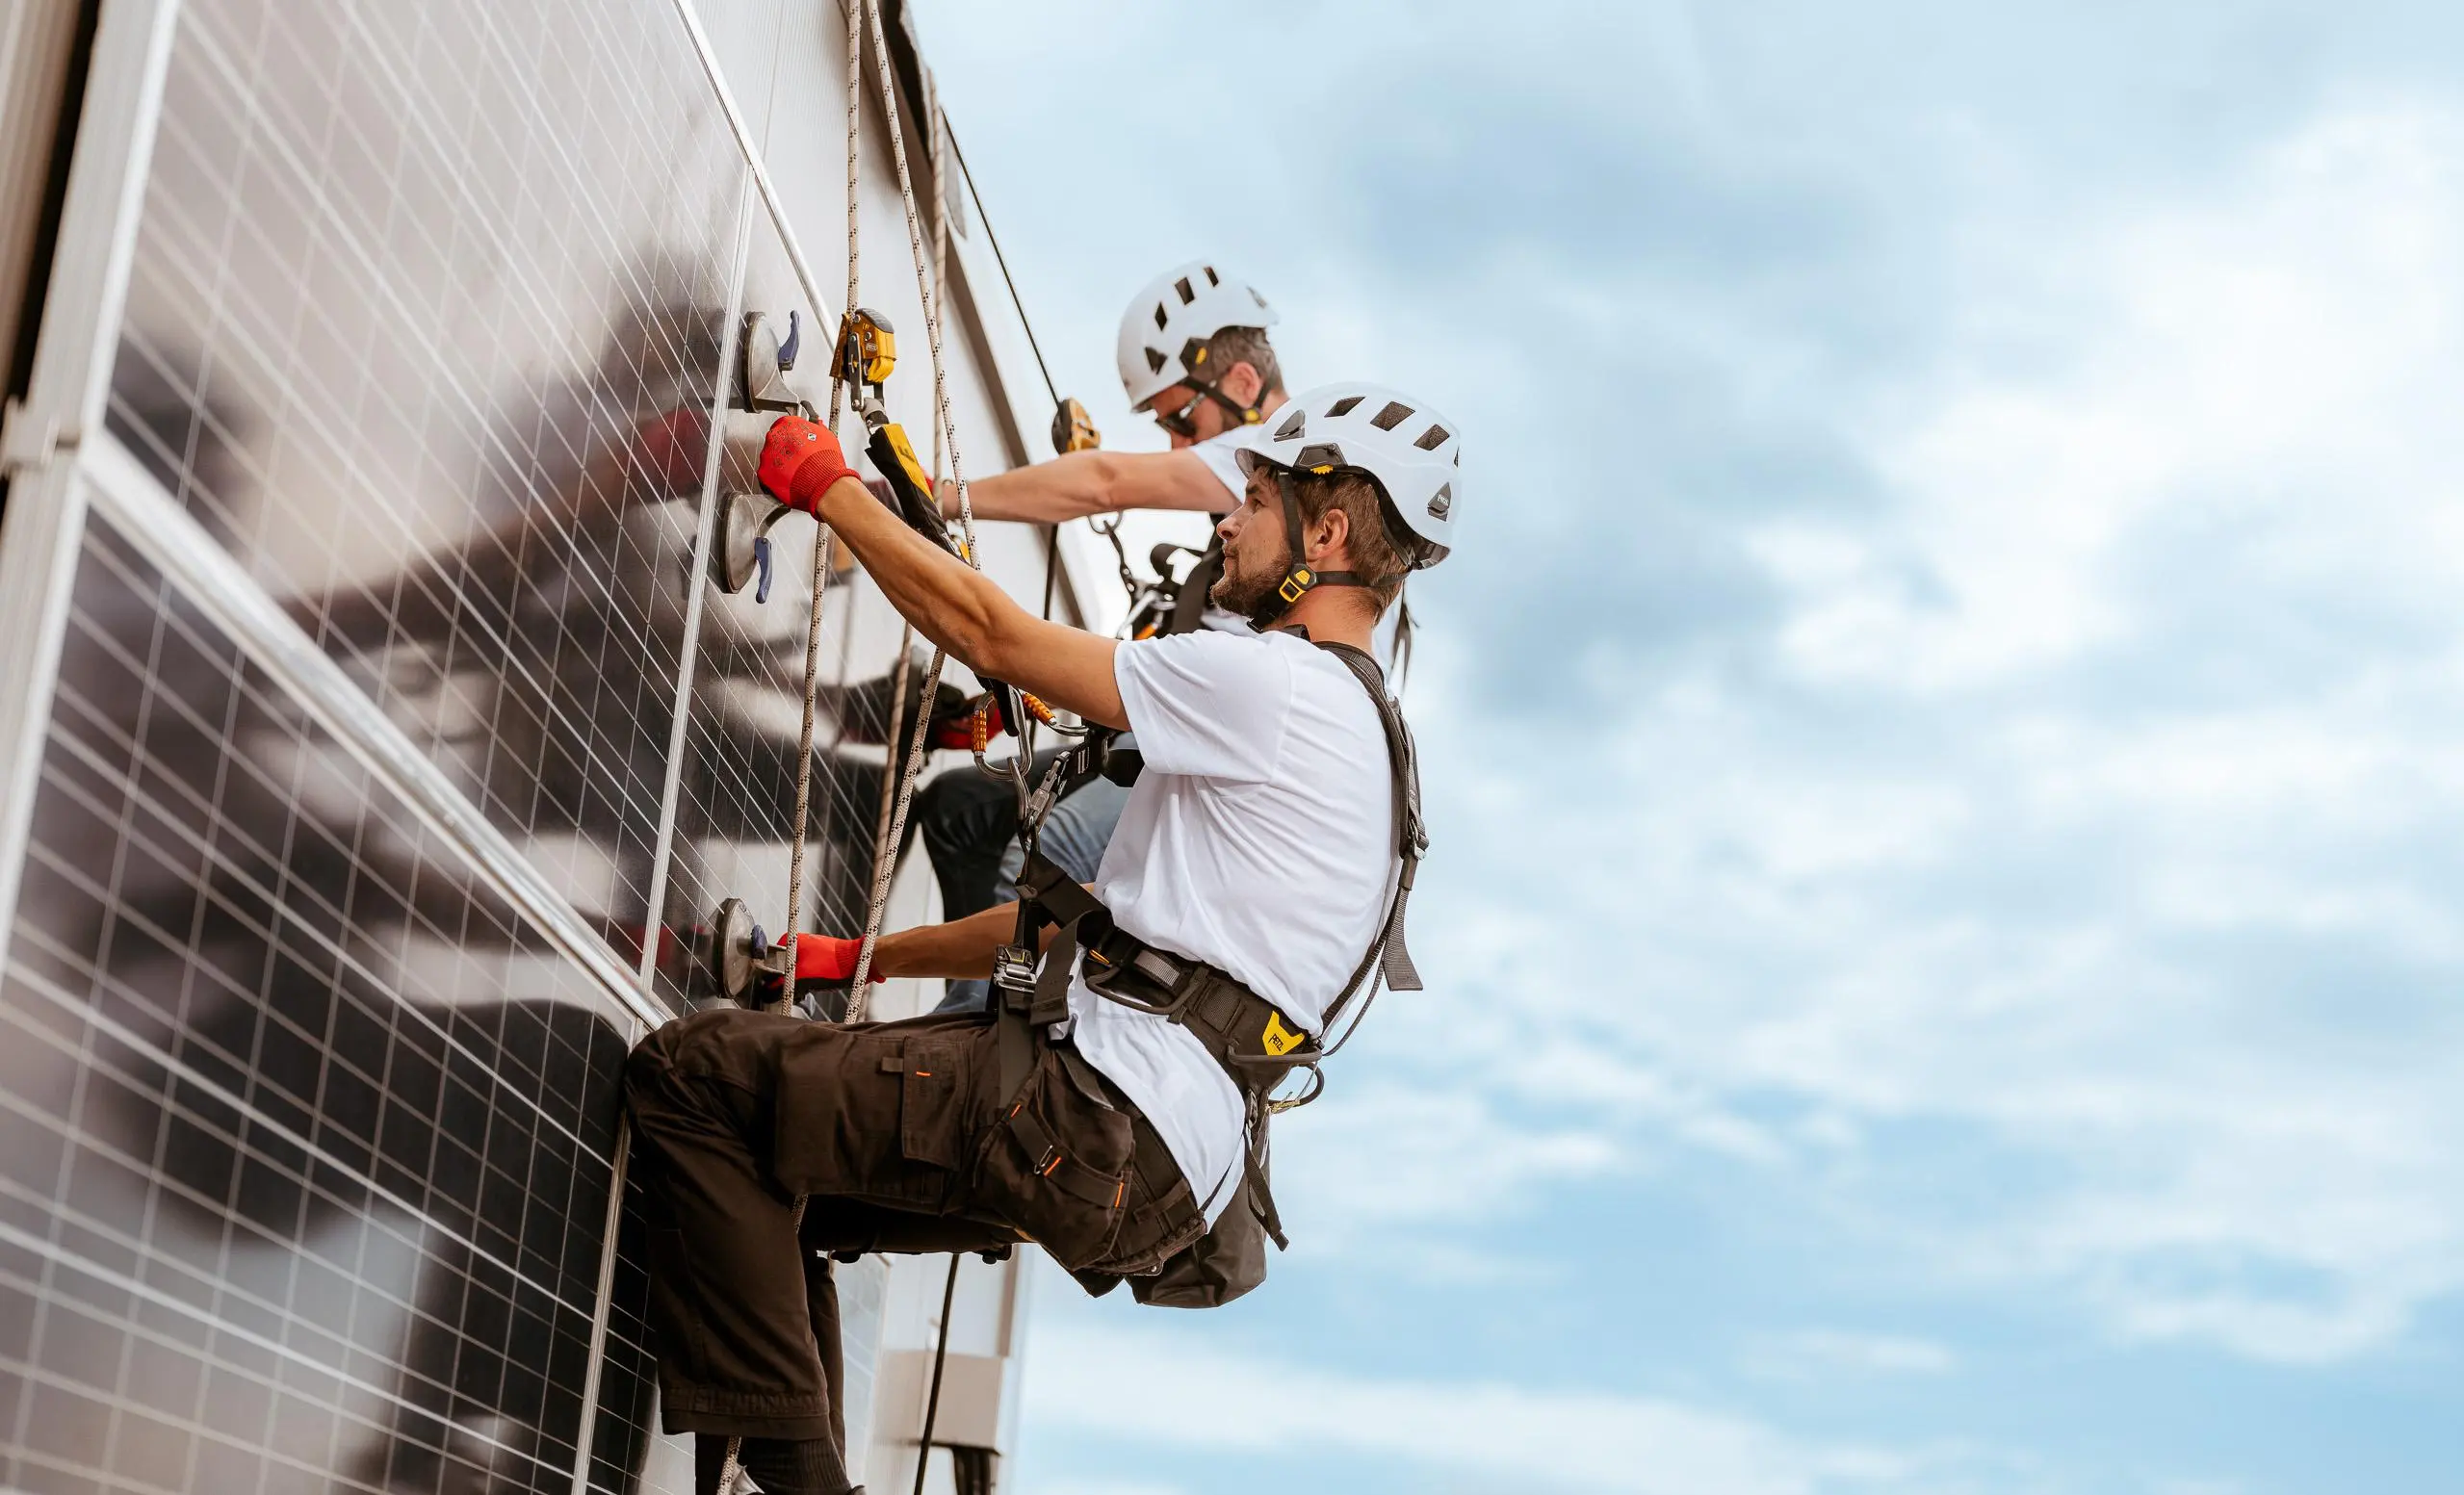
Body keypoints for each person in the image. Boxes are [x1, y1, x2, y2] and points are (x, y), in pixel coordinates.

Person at [622, 382, 1460, 1495]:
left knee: (695, 1077)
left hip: (1090, 1107)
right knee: (793, 1187)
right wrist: (856, 958)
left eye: (1254, 501)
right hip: (1151, 1164)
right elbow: (1068, 919)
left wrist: (825, 485)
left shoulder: (1275, 684)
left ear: (1330, 533)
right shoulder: (1363, 736)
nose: (1226, 521)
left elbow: (993, 635)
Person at [919, 265, 1399, 1011]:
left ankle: (964, 1043)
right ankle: (974, 1006)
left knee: (1044, 858)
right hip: (1177, 740)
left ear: (1241, 383)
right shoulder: (1269, 518)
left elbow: (1103, 482)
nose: (1176, 443)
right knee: (960, 807)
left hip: (1212, 765)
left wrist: (940, 498)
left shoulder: (1280, 455)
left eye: (1180, 419)